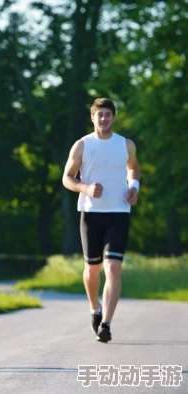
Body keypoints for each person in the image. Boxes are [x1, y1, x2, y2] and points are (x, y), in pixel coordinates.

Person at [62, 98, 140, 343]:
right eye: (100, 115)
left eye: (108, 114)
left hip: (118, 213)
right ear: (92, 117)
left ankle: (106, 323)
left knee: (114, 267)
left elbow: (133, 168)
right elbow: (67, 178)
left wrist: (134, 187)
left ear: (113, 117)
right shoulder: (82, 145)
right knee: (92, 270)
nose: (104, 119)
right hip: (91, 213)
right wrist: (85, 188)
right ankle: (94, 308)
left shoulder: (125, 144)